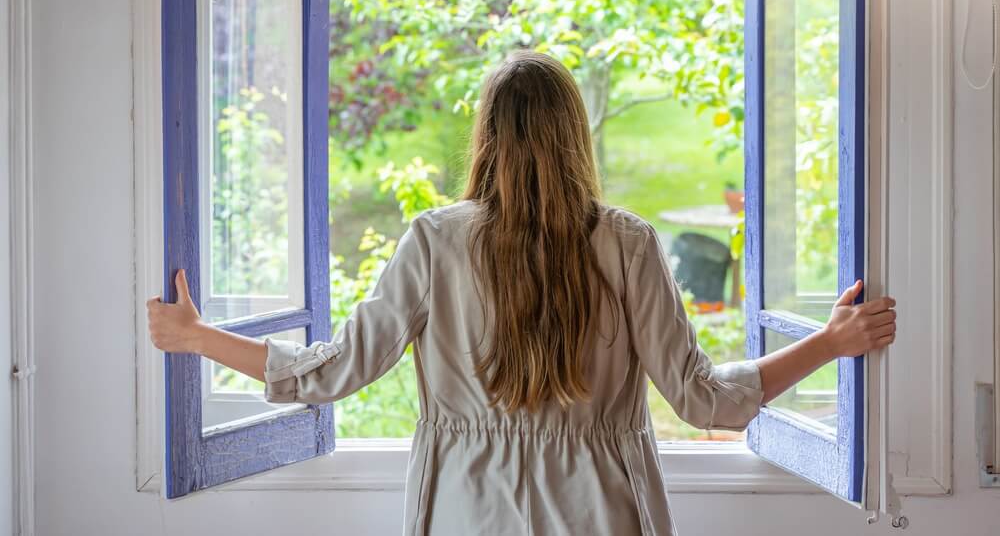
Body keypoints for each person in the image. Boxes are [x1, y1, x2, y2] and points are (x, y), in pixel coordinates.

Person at [148, 50, 897, 535]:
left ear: (487, 137)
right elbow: (707, 401)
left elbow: (333, 371)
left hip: (464, 514)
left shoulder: (435, 241)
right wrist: (831, 342)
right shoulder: (627, 242)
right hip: (606, 516)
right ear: (576, 135)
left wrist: (197, 336)